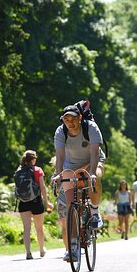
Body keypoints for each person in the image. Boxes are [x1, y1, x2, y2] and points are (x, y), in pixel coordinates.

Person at [51, 103, 106, 262]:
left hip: (92, 161)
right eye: (66, 119)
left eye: (73, 119)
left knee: (95, 177)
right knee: (70, 206)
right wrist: (58, 175)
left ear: (80, 117)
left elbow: (95, 153)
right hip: (70, 166)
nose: (71, 123)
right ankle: (73, 248)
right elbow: (60, 157)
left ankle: (94, 212)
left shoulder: (91, 128)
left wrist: (93, 173)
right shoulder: (61, 132)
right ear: (63, 120)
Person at [17, 150, 53, 259]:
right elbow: (42, 187)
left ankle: (28, 253)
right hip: (36, 201)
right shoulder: (37, 170)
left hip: (23, 202)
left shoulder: (19, 171)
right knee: (39, 228)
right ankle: (41, 250)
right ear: (33, 159)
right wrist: (47, 202)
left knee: (26, 228)